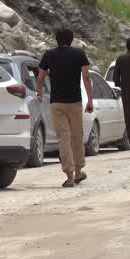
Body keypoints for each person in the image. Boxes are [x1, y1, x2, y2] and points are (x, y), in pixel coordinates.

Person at [36, 29, 95, 188]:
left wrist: (39, 92)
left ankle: (69, 175)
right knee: (77, 136)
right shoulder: (79, 54)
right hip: (75, 102)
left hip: (57, 103)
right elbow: (86, 77)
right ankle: (78, 172)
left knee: (63, 138)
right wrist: (90, 100)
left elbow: (41, 77)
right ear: (71, 40)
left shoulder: (49, 55)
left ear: (56, 40)